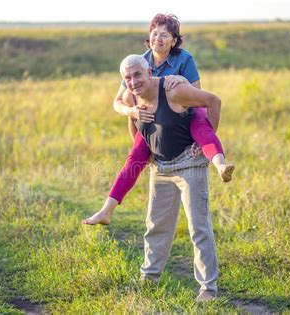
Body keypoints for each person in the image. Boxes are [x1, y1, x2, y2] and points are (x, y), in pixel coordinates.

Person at [83, 13, 233, 226]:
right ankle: (107, 210)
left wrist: (181, 80)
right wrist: (132, 112)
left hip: (183, 113)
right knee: (134, 157)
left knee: (201, 126)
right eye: (154, 34)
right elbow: (119, 101)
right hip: (153, 119)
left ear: (174, 40)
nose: (158, 38)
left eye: (165, 35)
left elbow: (197, 98)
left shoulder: (184, 59)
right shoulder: (138, 63)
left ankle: (220, 164)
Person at [120, 54, 220, 301]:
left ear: (149, 73)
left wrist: (206, 136)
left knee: (199, 226)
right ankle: (149, 278)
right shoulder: (131, 96)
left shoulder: (174, 90)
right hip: (161, 167)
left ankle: (208, 288)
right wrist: (144, 141)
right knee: (156, 224)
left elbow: (213, 100)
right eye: (127, 77)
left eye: (137, 75)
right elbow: (131, 122)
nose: (133, 81)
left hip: (189, 162)